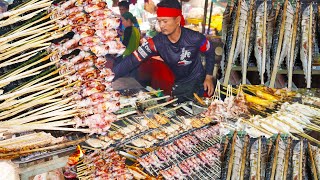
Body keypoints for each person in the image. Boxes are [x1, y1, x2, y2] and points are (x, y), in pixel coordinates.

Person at [112, 0, 215, 102]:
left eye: (165, 21)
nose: (161, 25)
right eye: (159, 21)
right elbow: (133, 59)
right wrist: (110, 76)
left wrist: (209, 76)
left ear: (177, 19)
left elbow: (210, 51)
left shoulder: (195, 38)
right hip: (180, 86)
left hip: (200, 84)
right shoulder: (156, 43)